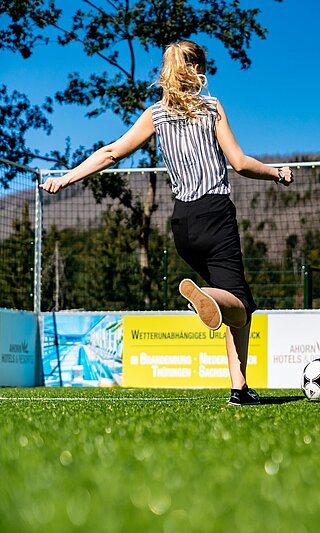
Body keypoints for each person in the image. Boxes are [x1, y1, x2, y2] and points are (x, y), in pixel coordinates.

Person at [40, 40, 293, 406]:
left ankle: (239, 388)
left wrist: (67, 177)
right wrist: (276, 173)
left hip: (182, 223)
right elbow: (238, 162)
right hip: (215, 214)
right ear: (198, 69)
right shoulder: (211, 107)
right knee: (241, 304)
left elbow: (111, 152)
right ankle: (217, 324)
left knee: (230, 301)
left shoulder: (155, 114)